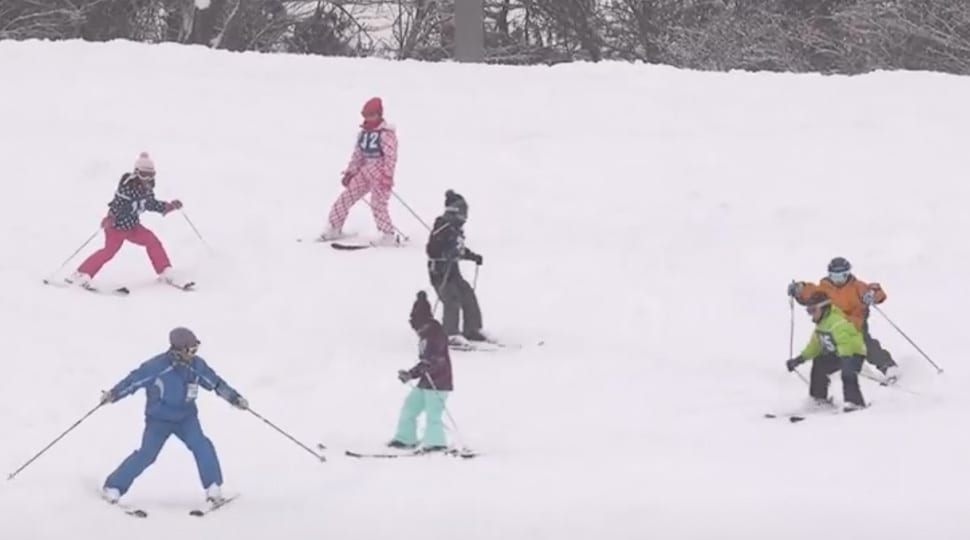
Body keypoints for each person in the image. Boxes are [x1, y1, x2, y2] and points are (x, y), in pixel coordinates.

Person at [99, 327, 249, 505]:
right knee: (147, 454)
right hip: (158, 420)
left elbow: (215, 383)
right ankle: (114, 486)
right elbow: (133, 381)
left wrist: (234, 398)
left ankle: (213, 488)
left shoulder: (196, 366)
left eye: (196, 349)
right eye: (191, 350)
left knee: (202, 445)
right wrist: (113, 394)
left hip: (186, 419)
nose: (194, 354)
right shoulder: (157, 367)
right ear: (178, 350)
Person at [67, 152, 184, 289]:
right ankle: (81, 274)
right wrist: (109, 218)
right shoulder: (127, 188)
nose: (147, 179)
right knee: (109, 251)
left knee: (152, 241)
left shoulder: (147, 188)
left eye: (151, 175)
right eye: (144, 175)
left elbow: (150, 203)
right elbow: (117, 205)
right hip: (116, 227)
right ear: (136, 173)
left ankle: (164, 270)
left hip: (133, 227)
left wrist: (168, 206)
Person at [788, 256, 899, 382]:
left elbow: (876, 290)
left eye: (841, 276)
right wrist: (799, 289)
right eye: (834, 276)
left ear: (847, 274)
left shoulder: (857, 286)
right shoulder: (825, 287)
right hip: (833, 326)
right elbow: (810, 292)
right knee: (828, 351)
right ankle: (829, 381)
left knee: (865, 345)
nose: (838, 281)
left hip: (855, 325)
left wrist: (871, 295)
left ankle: (888, 367)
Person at [318, 97, 402, 246]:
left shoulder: (386, 134)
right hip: (364, 172)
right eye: (366, 115)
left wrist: (387, 176)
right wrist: (351, 172)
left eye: (372, 115)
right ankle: (333, 228)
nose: (368, 119)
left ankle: (387, 235)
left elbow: (391, 157)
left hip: (380, 175)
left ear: (379, 115)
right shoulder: (363, 134)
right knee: (345, 197)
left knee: (377, 204)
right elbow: (358, 155)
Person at [388, 291, 453, 452]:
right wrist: (410, 374)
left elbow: (438, 361)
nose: (416, 330)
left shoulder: (436, 335)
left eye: (418, 326)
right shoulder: (425, 335)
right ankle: (405, 438)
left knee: (433, 415)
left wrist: (425, 368)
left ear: (425, 322)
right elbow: (424, 362)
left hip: (439, 382)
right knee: (410, 407)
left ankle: (436, 443)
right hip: (426, 382)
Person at [785, 291, 868, 412]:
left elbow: (844, 342)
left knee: (847, 372)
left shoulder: (836, 322)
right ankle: (819, 399)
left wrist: (846, 358)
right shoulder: (821, 325)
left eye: (813, 310)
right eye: (808, 311)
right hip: (838, 353)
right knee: (820, 363)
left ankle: (855, 403)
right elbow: (814, 346)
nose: (811, 315)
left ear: (824, 308)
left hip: (853, 353)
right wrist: (799, 359)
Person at [425, 189, 486, 347]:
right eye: (463, 213)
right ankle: (450, 333)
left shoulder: (456, 229)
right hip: (439, 272)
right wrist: (445, 252)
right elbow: (431, 249)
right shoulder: (442, 226)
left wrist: (472, 256)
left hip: (453, 271)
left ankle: (472, 329)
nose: (465, 218)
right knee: (452, 299)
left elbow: (459, 249)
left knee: (467, 294)